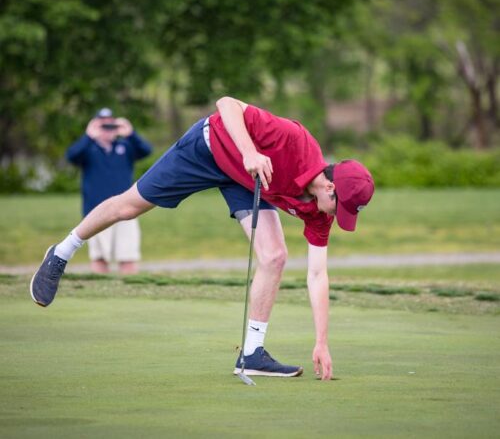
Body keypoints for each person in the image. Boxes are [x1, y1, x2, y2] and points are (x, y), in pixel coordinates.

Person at [30, 97, 374, 381]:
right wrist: (250, 152)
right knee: (129, 207)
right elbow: (226, 104)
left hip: (245, 180)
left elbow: (318, 274)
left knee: (274, 256)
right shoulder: (293, 140)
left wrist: (322, 342)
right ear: (331, 187)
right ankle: (62, 251)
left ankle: (252, 353)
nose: (335, 216)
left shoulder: (318, 211)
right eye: (339, 208)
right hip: (208, 149)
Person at [66, 108, 152, 274]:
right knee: (99, 257)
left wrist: (130, 133)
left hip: (126, 209)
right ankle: (101, 290)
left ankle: (127, 292)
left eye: (111, 126)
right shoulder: (88, 149)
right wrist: (89, 136)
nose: (108, 130)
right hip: (96, 210)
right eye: (103, 126)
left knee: (128, 255)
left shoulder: (125, 147)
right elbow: (71, 156)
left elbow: (146, 150)